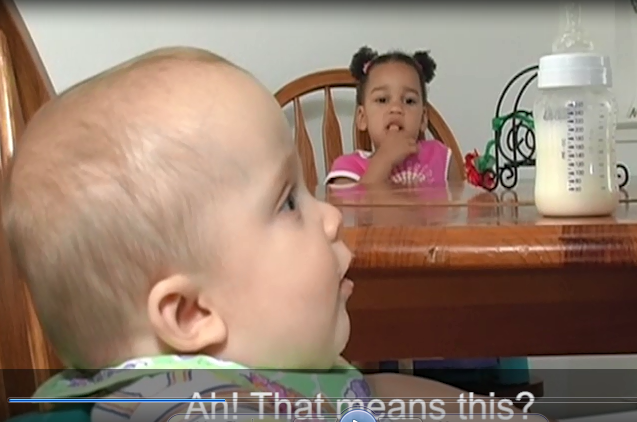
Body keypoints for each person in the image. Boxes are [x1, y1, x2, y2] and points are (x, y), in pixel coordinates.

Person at [2, 47, 544, 422]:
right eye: (288, 201)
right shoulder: (190, 404)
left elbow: (370, 391)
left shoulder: (277, 369)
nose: (330, 218)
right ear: (191, 314)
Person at [325, 46, 461, 187]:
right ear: (362, 117)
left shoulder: (441, 157)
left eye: (409, 101)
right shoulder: (348, 168)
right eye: (382, 100)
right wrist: (384, 160)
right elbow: (352, 208)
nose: (396, 108)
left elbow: (459, 205)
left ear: (423, 118)